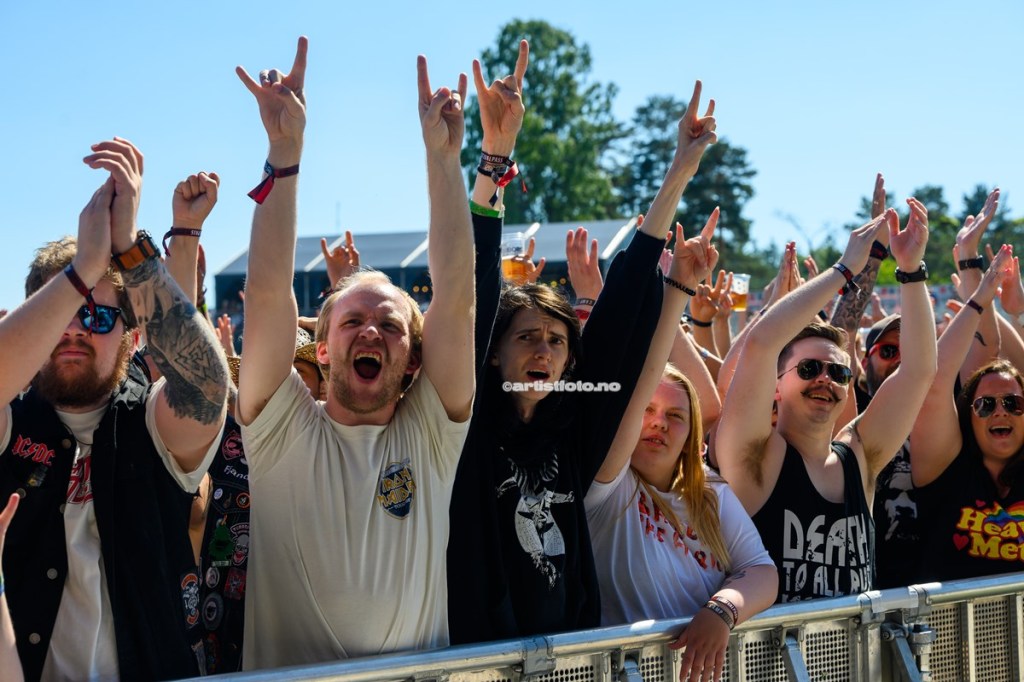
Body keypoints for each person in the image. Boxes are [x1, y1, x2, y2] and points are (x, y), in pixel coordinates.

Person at [448, 71, 719, 642]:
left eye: (556, 340)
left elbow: (621, 320)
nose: (544, 349)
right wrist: (495, 158)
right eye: (526, 337)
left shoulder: (572, 432)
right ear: (493, 356)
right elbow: (471, 289)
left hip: (570, 663)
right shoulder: (461, 428)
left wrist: (679, 173)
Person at [234, 38, 475, 668]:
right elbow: (264, 298)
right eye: (353, 321)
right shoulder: (278, 428)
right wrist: (285, 155)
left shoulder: (431, 435)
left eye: (391, 326)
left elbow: (454, 301)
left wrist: (445, 163)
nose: (371, 333)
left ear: (414, 361)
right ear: (318, 343)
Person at [0, 137, 230, 679]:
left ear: (130, 337)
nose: (76, 330)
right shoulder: (11, 421)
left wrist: (129, 247)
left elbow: (207, 386)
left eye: (99, 318)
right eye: (61, 314)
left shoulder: (150, 422)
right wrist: (84, 268)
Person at [584, 198, 776, 681]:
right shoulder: (607, 488)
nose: (659, 424)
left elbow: (761, 570)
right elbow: (636, 388)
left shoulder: (709, 493)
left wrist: (722, 611)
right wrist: (675, 293)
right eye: (648, 411)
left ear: (692, 433)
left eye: (675, 415)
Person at [715, 200, 936, 602]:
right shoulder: (755, 457)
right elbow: (762, 342)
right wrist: (844, 268)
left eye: (839, 373)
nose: (825, 380)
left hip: (852, 663)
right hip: (773, 663)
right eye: (808, 369)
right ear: (775, 386)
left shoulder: (860, 456)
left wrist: (912, 271)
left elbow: (920, 370)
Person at [906, 246, 1023, 581]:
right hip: (955, 633)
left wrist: (1017, 312)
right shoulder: (945, 471)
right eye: (986, 405)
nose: (1000, 411)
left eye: (1013, 403)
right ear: (967, 416)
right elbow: (933, 383)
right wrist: (982, 291)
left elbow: (996, 351)